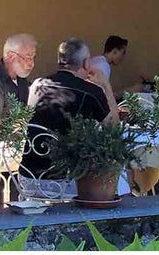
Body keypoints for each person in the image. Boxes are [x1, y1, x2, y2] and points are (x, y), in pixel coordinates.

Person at [24, 38, 118, 177]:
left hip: (28, 175)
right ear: (86, 63)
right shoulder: (91, 92)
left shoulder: (36, 85)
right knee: (108, 159)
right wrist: (106, 85)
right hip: (67, 180)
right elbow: (114, 127)